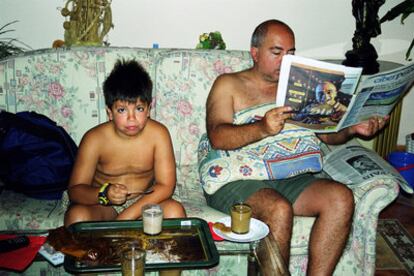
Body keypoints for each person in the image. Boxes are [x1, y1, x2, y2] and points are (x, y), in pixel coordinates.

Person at [203, 19, 388, 275]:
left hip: (292, 173)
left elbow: (326, 136)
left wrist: (352, 129)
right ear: (255, 53)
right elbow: (217, 137)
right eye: (276, 52)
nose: (285, 61)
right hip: (239, 177)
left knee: (340, 198)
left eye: (290, 54)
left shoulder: (302, 87)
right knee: (278, 209)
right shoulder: (229, 84)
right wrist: (262, 128)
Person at [64, 59, 186, 227]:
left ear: (149, 109)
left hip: (145, 202)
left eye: (139, 109)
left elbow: (166, 186)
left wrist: (126, 217)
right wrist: (104, 193)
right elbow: (76, 190)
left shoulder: (159, 135)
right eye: (122, 110)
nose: (131, 118)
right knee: (77, 216)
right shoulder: (94, 139)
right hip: (104, 205)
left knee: (175, 212)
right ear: (110, 112)